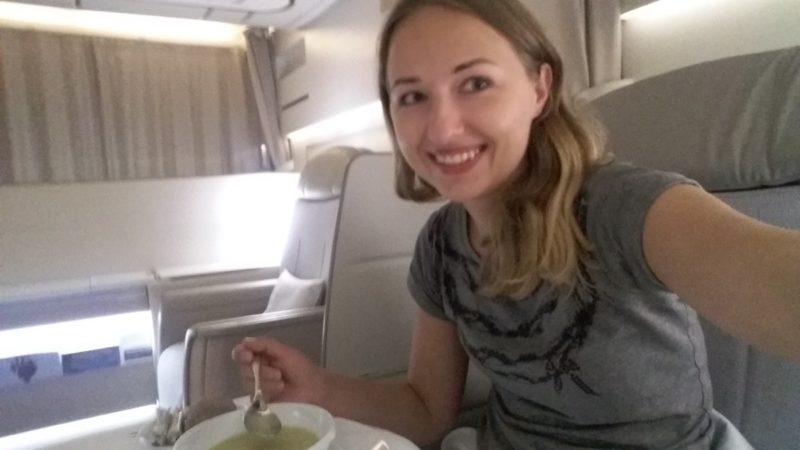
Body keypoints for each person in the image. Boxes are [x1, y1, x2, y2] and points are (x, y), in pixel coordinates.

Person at [232, 0, 800, 448]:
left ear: (539, 88)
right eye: (412, 96)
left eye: (475, 83)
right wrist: (319, 388)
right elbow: (428, 411)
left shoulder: (621, 207)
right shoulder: (440, 247)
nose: (442, 128)